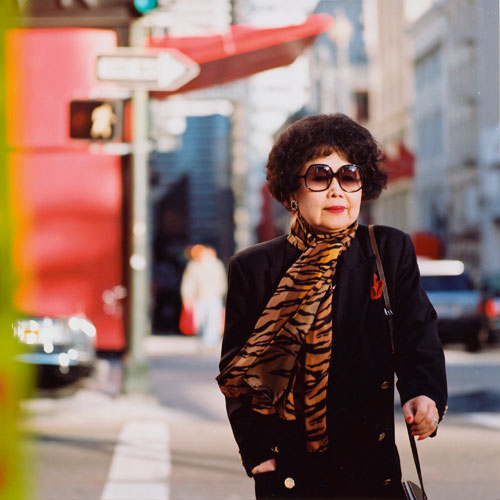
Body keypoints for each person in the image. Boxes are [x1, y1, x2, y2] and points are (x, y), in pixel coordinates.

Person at [216, 114, 447, 499]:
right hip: (289, 471)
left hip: (372, 468)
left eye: (349, 176)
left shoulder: (388, 249)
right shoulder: (254, 267)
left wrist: (424, 395)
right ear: (293, 190)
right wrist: (258, 456)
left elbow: (417, 334)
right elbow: (238, 373)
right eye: (320, 177)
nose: (336, 191)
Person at [180, 244, 227, 348]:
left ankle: (210, 341)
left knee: (213, 319)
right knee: (199, 319)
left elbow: (221, 280)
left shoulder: (216, 264)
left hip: (214, 296)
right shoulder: (194, 265)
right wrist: (187, 297)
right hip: (199, 296)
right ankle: (202, 338)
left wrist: (221, 293)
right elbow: (189, 282)